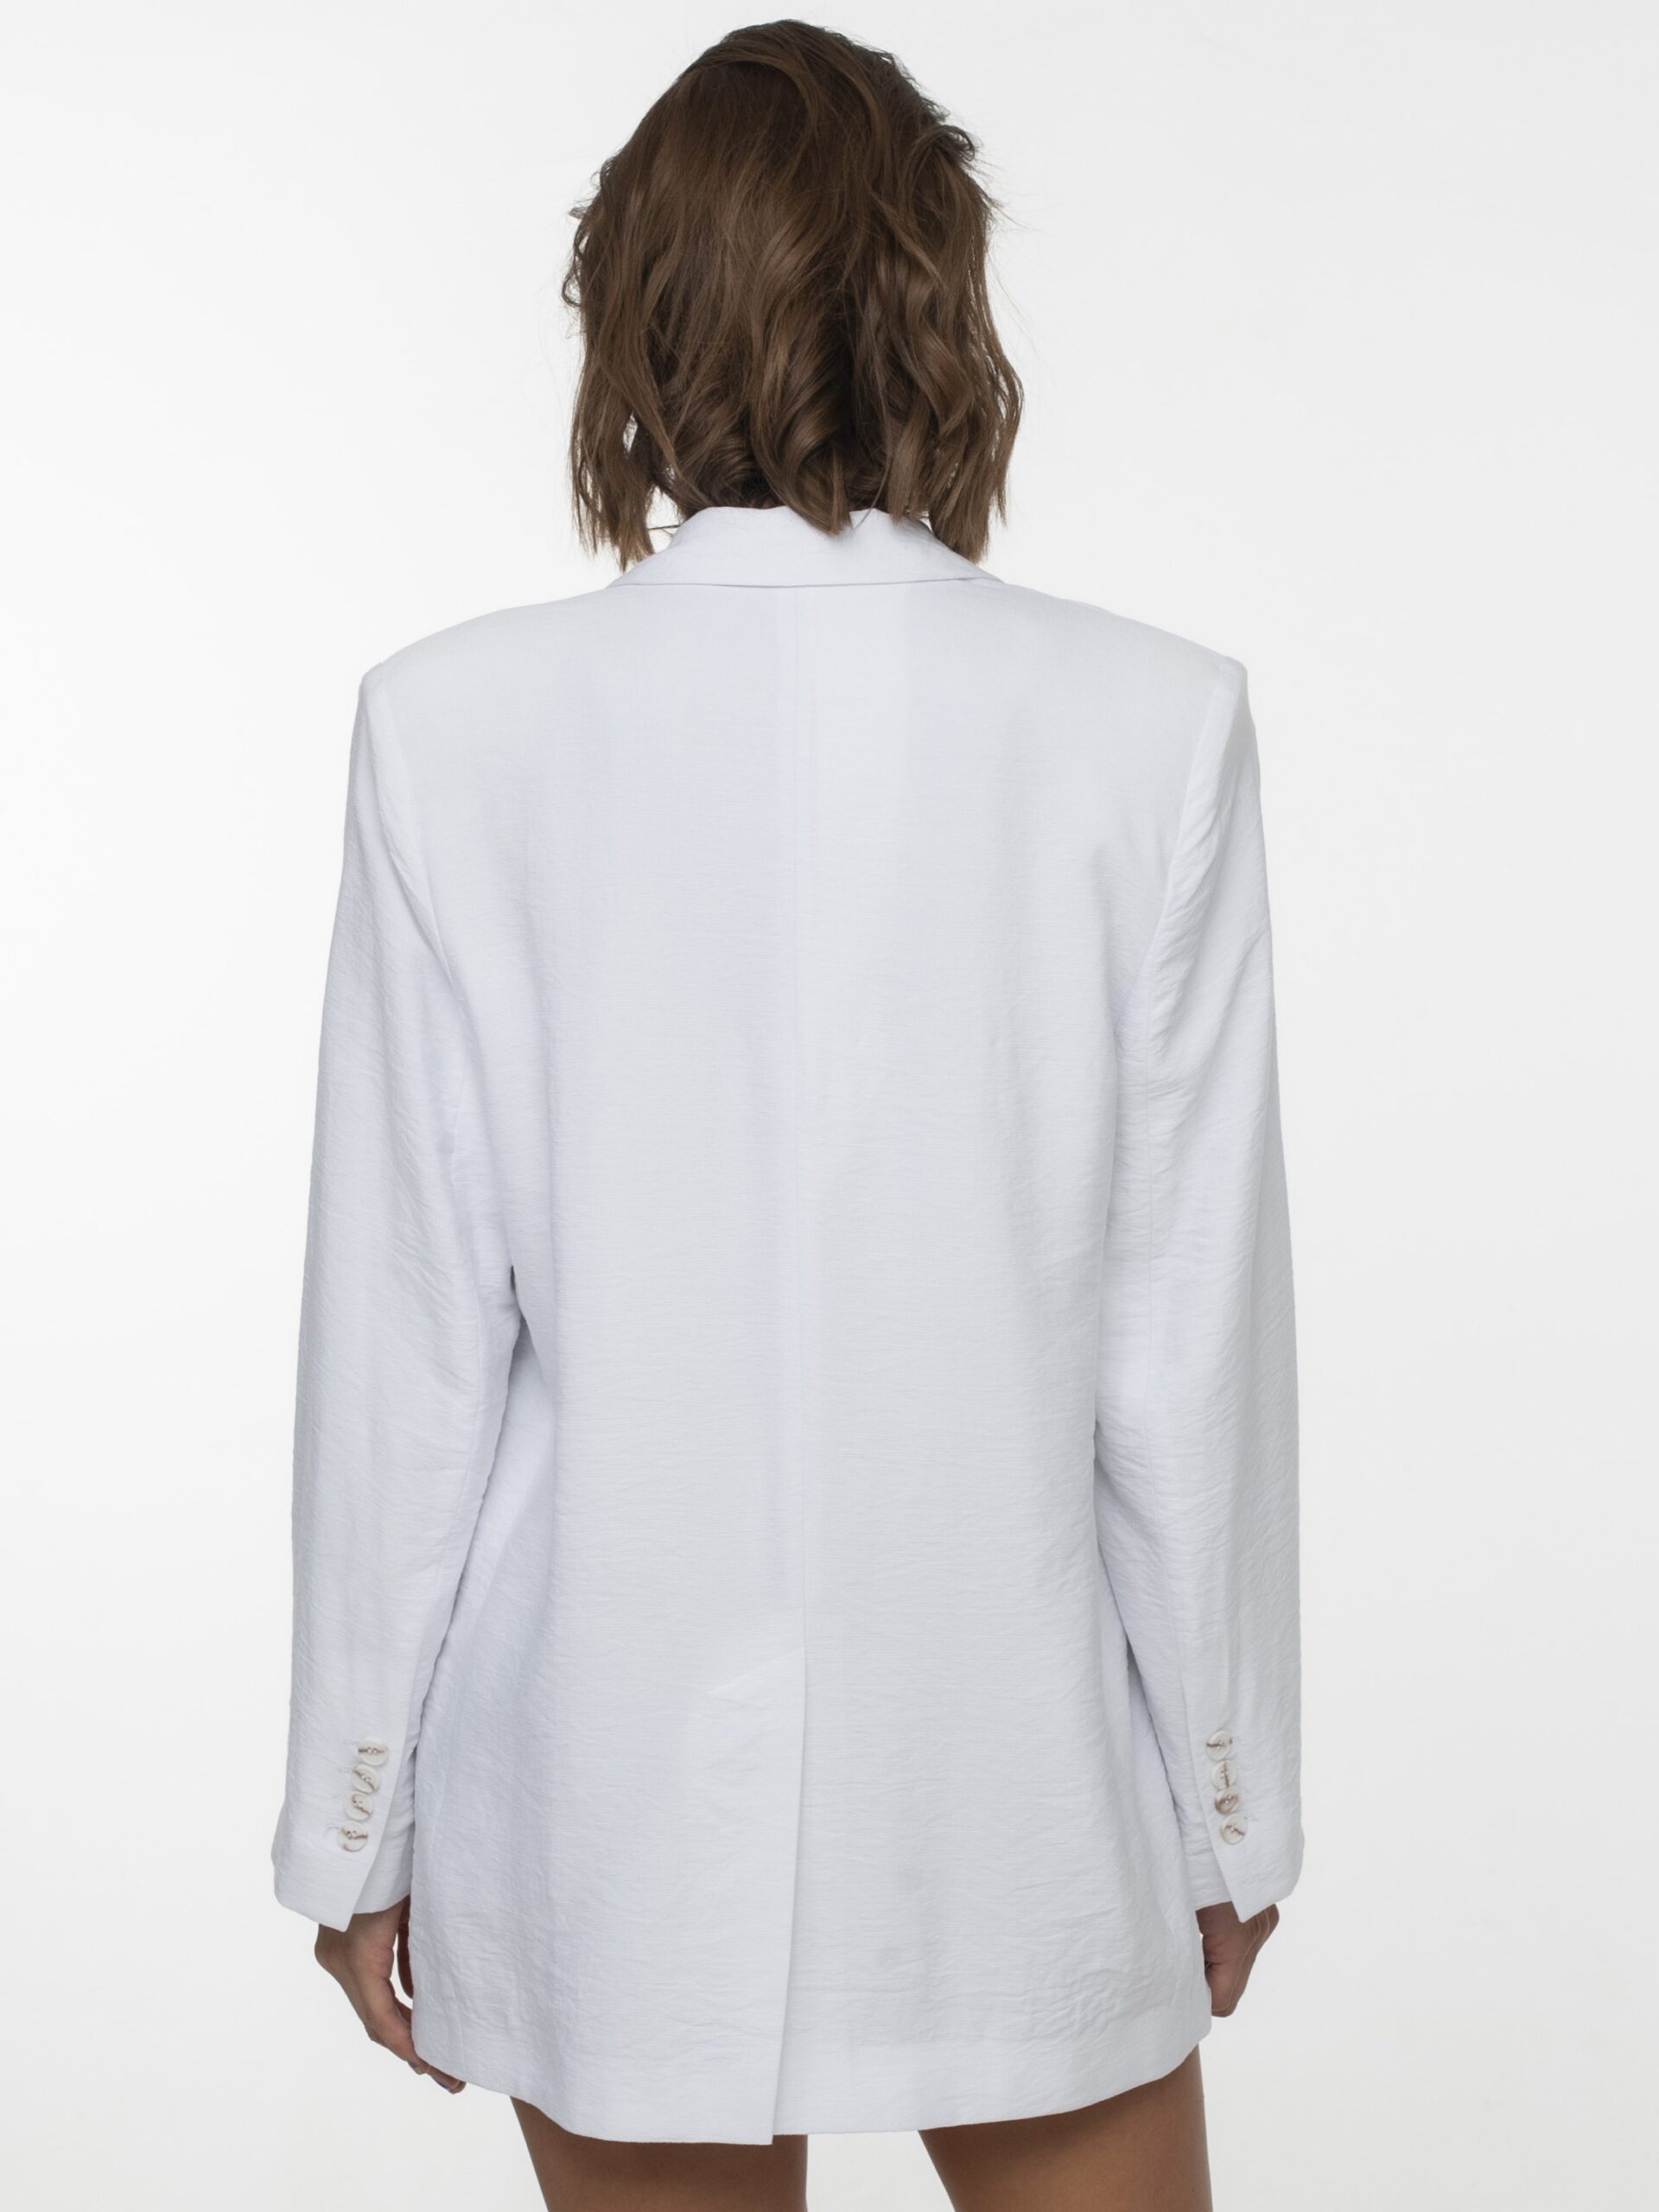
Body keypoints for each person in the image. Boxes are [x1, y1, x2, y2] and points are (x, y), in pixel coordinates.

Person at [273, 21, 1301, 2209]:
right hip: (1020, 1776)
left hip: (601, 1777)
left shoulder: (456, 731)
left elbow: (411, 1343)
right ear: (943, 307)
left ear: (637, 313)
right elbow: (1179, 1349)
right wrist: (1231, 1807)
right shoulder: (1149, 725)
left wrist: (355, 1811)